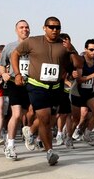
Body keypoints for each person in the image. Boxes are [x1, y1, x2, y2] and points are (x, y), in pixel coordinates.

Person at [11, 17, 80, 166]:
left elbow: (78, 64)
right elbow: (14, 54)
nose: (54, 30)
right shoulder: (33, 41)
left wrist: (71, 50)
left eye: (57, 27)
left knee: (52, 118)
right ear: (44, 28)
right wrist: (17, 74)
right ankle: (50, 152)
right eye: (51, 27)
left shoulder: (65, 45)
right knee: (45, 118)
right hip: (36, 85)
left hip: (56, 87)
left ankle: (30, 131)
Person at [0, 20, 32, 160]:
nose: (24, 29)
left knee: (31, 113)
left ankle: (29, 133)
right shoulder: (10, 47)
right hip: (15, 82)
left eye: (26, 27)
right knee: (17, 114)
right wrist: (4, 74)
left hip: (31, 83)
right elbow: (2, 65)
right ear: (16, 30)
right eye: (21, 27)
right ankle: (10, 145)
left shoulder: (35, 46)